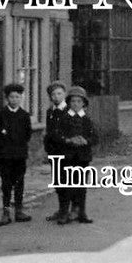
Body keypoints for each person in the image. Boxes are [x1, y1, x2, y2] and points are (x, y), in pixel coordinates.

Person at [49, 86, 98, 224]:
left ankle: (81, 212)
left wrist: (85, 141)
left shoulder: (87, 119)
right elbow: (56, 136)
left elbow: (95, 137)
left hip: (82, 157)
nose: (76, 104)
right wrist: (68, 140)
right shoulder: (63, 119)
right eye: (73, 101)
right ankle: (64, 212)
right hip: (68, 156)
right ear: (69, 103)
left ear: (84, 103)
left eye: (79, 101)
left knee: (81, 186)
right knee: (66, 185)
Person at [0, 83, 33, 226]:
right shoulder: (0, 114)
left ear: (21, 98)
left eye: (17, 97)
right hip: (4, 155)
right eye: (11, 97)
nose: (14, 99)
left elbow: (27, 134)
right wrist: (2, 148)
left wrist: (19, 147)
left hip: (19, 154)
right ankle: (6, 212)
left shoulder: (24, 115)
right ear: (7, 98)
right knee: (6, 184)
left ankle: (19, 211)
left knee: (19, 183)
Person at [43, 81, 69, 222]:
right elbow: (49, 132)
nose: (56, 97)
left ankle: (66, 211)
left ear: (64, 94)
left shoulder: (70, 111)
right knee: (58, 182)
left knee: (66, 181)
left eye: (59, 93)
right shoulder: (50, 112)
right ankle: (61, 209)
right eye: (53, 94)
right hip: (54, 152)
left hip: (67, 152)